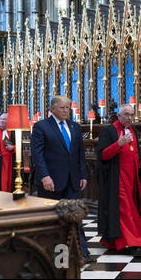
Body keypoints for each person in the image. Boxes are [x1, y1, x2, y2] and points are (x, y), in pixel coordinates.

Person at [30, 96, 93, 263]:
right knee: (55, 219)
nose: (66, 111)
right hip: (50, 182)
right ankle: (57, 256)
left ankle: (82, 253)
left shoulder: (75, 126)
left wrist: (83, 175)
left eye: (68, 108)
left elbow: (79, 154)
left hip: (73, 180)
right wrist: (45, 176)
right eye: (62, 108)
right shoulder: (41, 126)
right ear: (52, 109)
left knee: (74, 215)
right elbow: (37, 155)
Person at [97, 104, 141, 256]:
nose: (129, 118)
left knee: (131, 209)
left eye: (132, 115)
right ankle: (133, 244)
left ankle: (113, 240)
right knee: (125, 210)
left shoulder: (133, 130)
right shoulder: (108, 131)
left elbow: (136, 154)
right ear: (119, 115)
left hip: (132, 180)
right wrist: (118, 144)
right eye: (126, 114)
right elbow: (102, 155)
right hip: (117, 179)